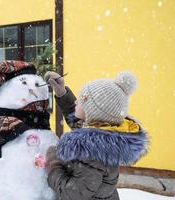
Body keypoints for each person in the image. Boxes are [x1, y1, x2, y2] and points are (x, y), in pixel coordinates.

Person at [44, 71, 149, 200]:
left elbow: (72, 193)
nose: (77, 101)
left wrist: (53, 164)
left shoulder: (92, 155)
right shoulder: (103, 136)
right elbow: (80, 122)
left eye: (83, 100)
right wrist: (62, 93)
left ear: (93, 114)